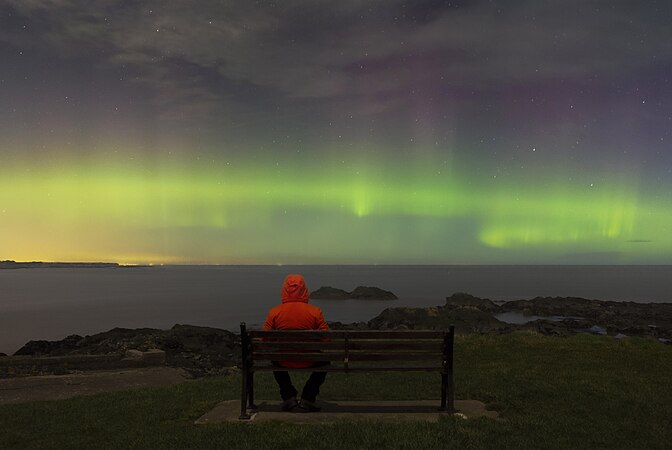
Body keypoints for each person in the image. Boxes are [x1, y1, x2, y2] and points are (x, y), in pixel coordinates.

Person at [263, 274, 329, 412]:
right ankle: (308, 398)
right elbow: (327, 338)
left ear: (284, 290)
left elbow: (264, 339)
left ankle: (288, 398)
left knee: (274, 360)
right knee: (325, 362)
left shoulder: (274, 312)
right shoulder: (315, 312)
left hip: (284, 360)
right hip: (310, 359)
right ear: (304, 290)